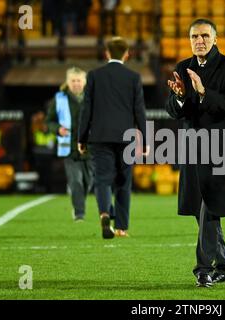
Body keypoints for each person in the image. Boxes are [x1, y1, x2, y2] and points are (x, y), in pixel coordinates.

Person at [165, 19, 225, 287]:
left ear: (215, 38)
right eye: (194, 36)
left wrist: (202, 92)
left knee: (209, 206)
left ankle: (203, 268)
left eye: (204, 35)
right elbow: (174, 112)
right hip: (192, 146)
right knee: (200, 209)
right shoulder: (182, 67)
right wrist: (178, 97)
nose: (199, 40)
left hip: (221, 147)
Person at [78, 37, 148, 238]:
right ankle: (121, 227)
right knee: (123, 182)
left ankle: (104, 214)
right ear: (127, 54)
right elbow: (139, 110)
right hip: (126, 137)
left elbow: (86, 109)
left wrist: (81, 138)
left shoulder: (93, 76)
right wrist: (145, 139)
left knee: (102, 180)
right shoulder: (134, 77)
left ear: (107, 54)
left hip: (99, 137)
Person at [46, 67, 93, 221]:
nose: (76, 83)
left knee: (87, 182)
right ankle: (79, 213)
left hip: (89, 148)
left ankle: (76, 196)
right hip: (69, 149)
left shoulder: (93, 97)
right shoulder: (59, 99)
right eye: (73, 80)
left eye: (79, 80)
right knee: (76, 181)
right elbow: (49, 121)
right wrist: (57, 129)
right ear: (68, 82)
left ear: (84, 82)